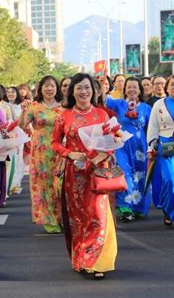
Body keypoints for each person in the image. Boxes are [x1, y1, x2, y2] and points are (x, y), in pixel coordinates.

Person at [52, 73, 117, 280]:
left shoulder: (102, 115)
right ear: (72, 91)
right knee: (77, 218)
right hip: (75, 173)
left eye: (87, 87)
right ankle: (80, 258)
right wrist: (69, 153)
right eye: (79, 88)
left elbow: (114, 142)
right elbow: (55, 143)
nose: (83, 92)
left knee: (98, 215)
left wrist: (102, 155)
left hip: (98, 172)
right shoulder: (64, 116)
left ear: (94, 90)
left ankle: (97, 261)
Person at [19, 75, 64, 234]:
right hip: (40, 153)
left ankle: (61, 218)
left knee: (59, 186)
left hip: (60, 152)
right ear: (40, 89)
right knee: (44, 186)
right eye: (46, 86)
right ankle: (50, 220)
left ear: (57, 88)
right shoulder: (34, 107)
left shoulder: (64, 108)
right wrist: (23, 111)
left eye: (52, 86)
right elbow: (22, 126)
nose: (49, 89)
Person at [106, 77, 152, 222]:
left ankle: (137, 208)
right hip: (121, 145)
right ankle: (124, 208)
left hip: (140, 147)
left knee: (139, 176)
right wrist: (102, 83)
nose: (132, 90)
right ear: (124, 89)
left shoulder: (146, 108)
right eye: (129, 87)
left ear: (140, 90)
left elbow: (151, 128)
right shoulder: (118, 104)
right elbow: (101, 99)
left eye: (135, 87)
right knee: (124, 173)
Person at [147, 74, 174, 227]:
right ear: (167, 88)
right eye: (172, 84)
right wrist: (152, 146)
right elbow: (153, 127)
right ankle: (169, 210)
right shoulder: (159, 105)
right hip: (167, 147)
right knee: (170, 180)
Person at [4, 86, 25, 194]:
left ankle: (16, 183)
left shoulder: (20, 107)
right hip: (7, 136)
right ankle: (9, 183)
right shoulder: (3, 105)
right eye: (8, 92)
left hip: (18, 135)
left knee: (18, 159)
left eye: (13, 92)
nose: (11, 94)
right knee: (9, 160)